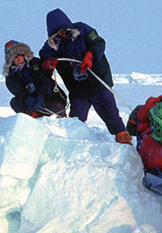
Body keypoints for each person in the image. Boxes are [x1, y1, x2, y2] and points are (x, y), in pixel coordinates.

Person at [38, 8, 132, 144]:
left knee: (109, 111)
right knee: (76, 119)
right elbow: (43, 56)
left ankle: (123, 138)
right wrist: (46, 63)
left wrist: (90, 55)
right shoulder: (52, 45)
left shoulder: (82, 29)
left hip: (98, 81)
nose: (63, 34)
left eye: (64, 30)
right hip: (78, 89)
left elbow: (99, 43)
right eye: (58, 33)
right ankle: (74, 145)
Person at [3, 40, 67, 117]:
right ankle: (32, 120)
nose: (19, 59)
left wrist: (40, 97)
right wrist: (27, 99)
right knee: (15, 102)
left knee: (57, 107)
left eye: (20, 55)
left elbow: (44, 82)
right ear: (10, 60)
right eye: (15, 57)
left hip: (50, 98)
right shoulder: (10, 75)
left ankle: (61, 123)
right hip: (30, 103)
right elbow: (18, 91)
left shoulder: (35, 64)